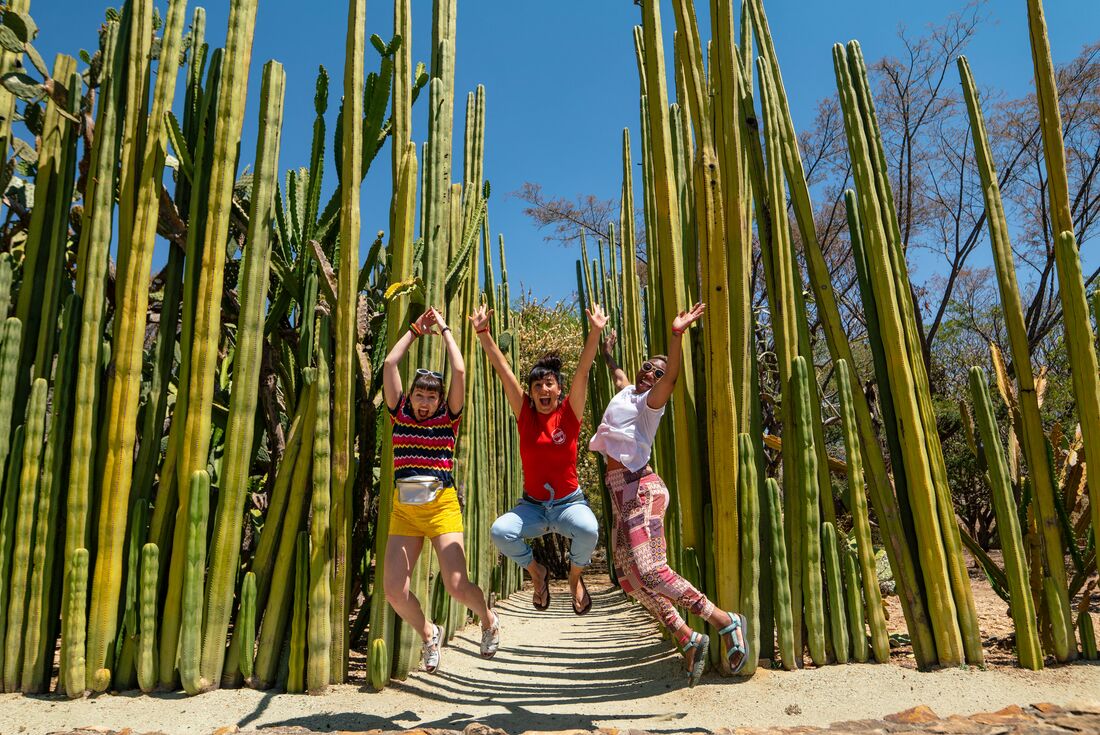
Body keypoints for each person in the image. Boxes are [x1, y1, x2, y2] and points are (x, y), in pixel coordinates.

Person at [590, 303, 748, 686]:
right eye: (648, 367)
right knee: (628, 578)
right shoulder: (628, 392)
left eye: (657, 373)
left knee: (650, 569)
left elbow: (672, 378)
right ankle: (686, 636)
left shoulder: (649, 405)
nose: (651, 374)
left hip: (641, 489)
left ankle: (724, 621)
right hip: (618, 494)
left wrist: (676, 336)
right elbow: (619, 375)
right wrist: (608, 353)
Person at [382, 306, 500, 674]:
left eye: (431, 397)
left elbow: (460, 371)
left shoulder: (448, 419)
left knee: (456, 585)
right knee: (393, 592)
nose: (424, 402)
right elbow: (389, 364)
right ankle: (430, 634)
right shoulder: (398, 411)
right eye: (419, 394)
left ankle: (488, 619)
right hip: (405, 508)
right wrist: (416, 330)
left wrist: (447, 329)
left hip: (441, 506)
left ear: (439, 400)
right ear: (411, 395)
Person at [470, 302, 605, 616]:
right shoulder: (525, 416)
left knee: (588, 529)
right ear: (529, 393)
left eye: (549, 384)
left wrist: (595, 331)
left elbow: (584, 370)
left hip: (569, 504)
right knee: (499, 531)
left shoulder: (569, 415)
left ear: (558, 389)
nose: (543, 389)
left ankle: (574, 579)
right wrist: (483, 333)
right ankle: (536, 572)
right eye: (536, 386)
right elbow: (504, 372)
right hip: (532, 507)